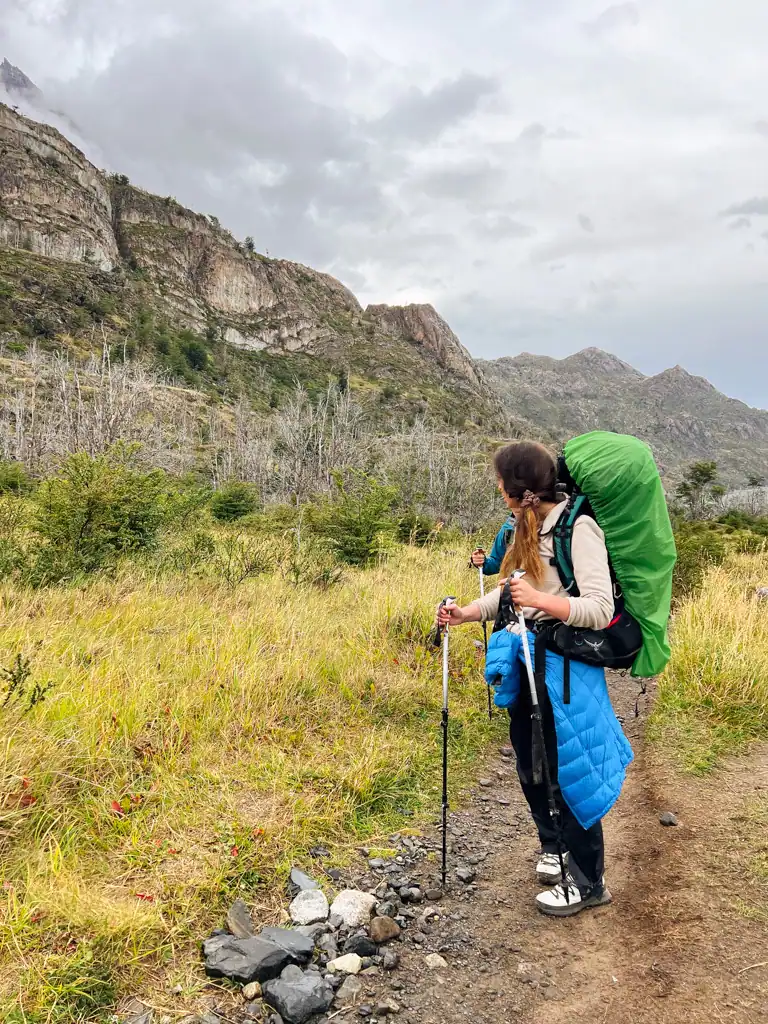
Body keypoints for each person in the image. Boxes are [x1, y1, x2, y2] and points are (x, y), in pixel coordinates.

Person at [438, 440, 632, 917]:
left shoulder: (578, 529)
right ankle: (554, 845)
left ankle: (589, 882)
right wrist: (464, 614)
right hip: (528, 660)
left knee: (572, 769)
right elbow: (511, 591)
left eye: (501, 481)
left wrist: (541, 602)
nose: (498, 488)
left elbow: (599, 607)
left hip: (568, 668)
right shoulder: (528, 523)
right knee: (529, 758)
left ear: (516, 488)